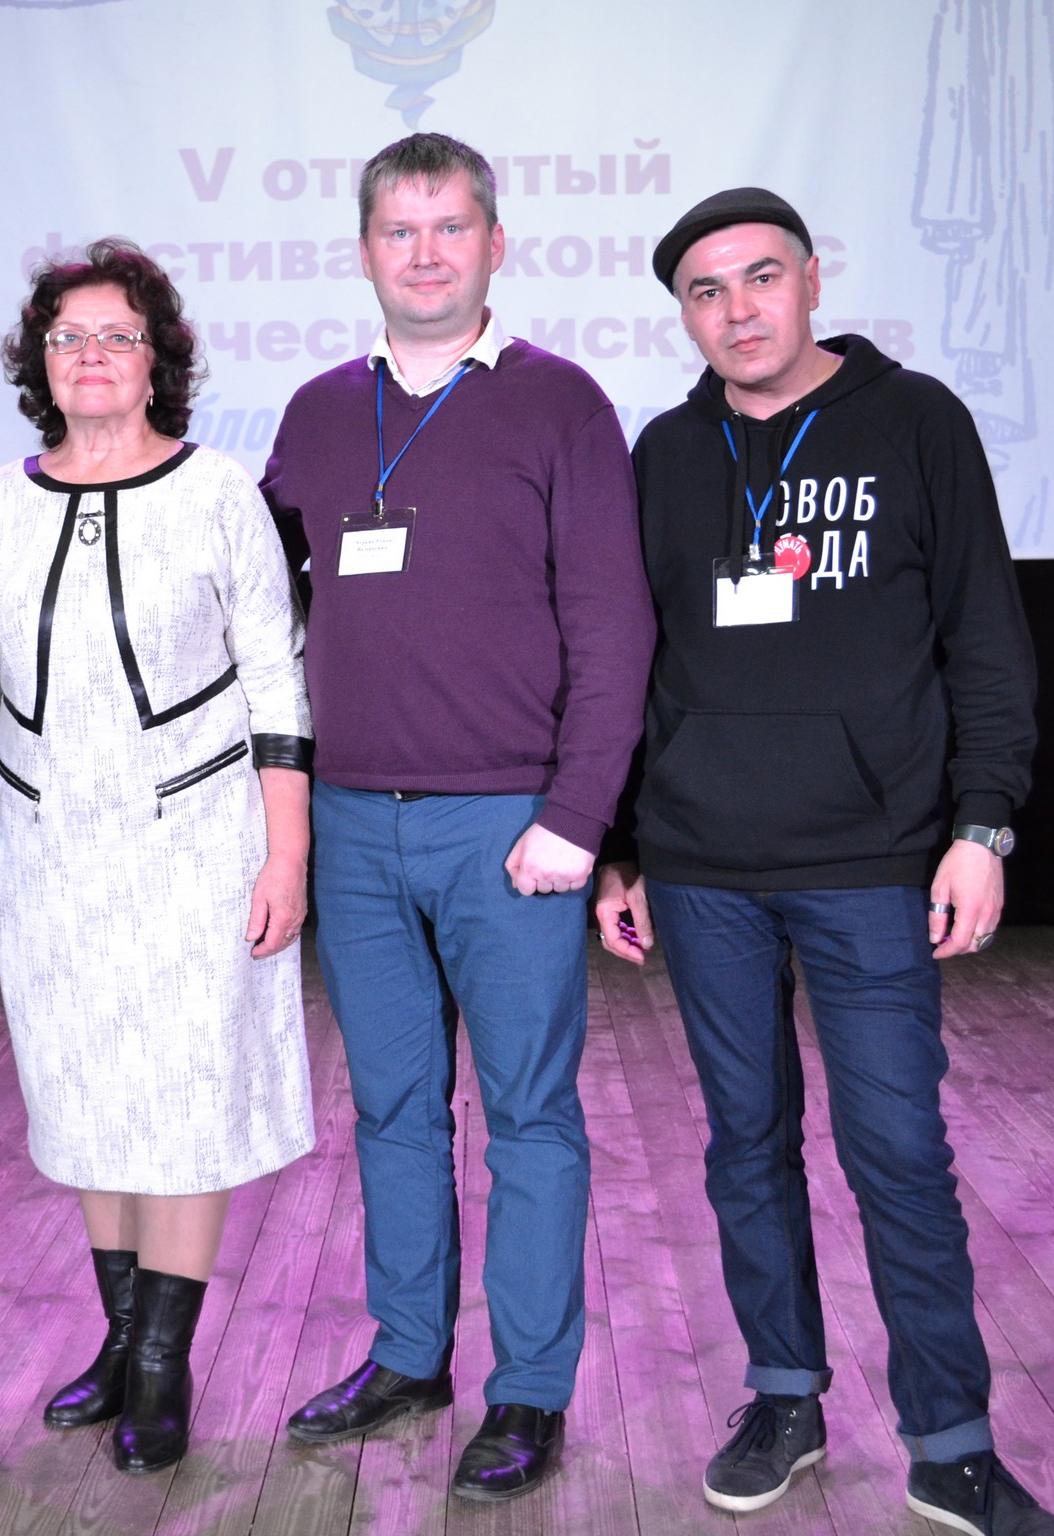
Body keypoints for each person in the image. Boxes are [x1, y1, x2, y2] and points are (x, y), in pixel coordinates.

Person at [593, 187, 1054, 1536]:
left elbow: (986, 637)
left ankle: (951, 1442)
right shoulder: (664, 454)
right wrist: (625, 848)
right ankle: (785, 1397)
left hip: (871, 859)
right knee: (745, 1149)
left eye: (760, 278)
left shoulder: (916, 423)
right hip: (701, 867)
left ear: (812, 280)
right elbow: (633, 662)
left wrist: (982, 828)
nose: (737, 310)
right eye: (705, 291)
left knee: (898, 1153)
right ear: (683, 315)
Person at [260, 133, 649, 1503]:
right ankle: (409, 1354)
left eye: (449, 227)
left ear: (496, 244)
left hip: (510, 827)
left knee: (530, 1115)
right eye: (399, 229)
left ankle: (529, 1390)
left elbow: (615, 630)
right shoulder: (315, 414)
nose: (424, 253)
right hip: (354, 824)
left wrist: (578, 817)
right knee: (393, 1110)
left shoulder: (562, 405)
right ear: (364, 250)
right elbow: (268, 618)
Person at [0, 238, 316, 1475]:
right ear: (38, 362)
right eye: (69, 337)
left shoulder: (218, 493)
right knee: (86, 1093)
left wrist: (286, 855)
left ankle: (163, 1367)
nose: (93, 356)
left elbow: (277, 679)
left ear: (159, 359)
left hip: (197, 842)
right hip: (44, 846)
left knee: (182, 1098)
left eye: (119, 335)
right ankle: (118, 1342)